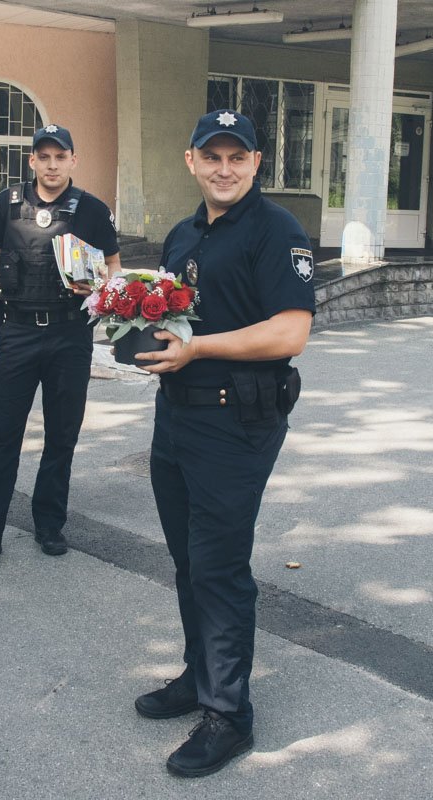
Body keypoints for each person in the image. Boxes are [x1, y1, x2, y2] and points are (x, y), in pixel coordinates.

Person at [131, 109, 315, 777]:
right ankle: (199, 675)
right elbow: (171, 316)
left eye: (238, 156)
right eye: (213, 155)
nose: (224, 167)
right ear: (191, 161)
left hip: (236, 421)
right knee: (187, 559)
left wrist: (198, 348)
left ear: (257, 164)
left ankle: (229, 715)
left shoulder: (276, 231)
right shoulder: (183, 234)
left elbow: (291, 331)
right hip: (176, 415)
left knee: (219, 567)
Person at [0, 124, 121, 570]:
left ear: (72, 161)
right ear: (31, 161)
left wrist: (103, 293)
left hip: (69, 335)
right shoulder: (7, 205)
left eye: (59, 157)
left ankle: (49, 524)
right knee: (1, 436)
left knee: (62, 434)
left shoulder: (93, 210)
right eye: (43, 157)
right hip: (18, 331)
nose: (51, 165)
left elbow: (114, 271)